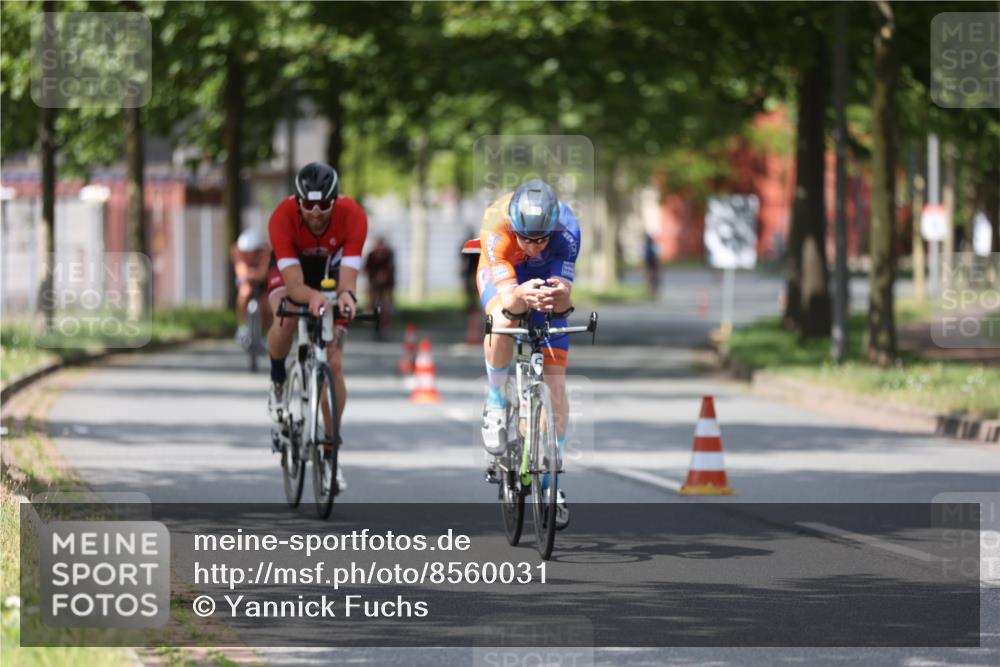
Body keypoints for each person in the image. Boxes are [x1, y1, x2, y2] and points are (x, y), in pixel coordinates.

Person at [476, 178, 579, 529]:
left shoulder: (567, 231)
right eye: (527, 239)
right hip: (505, 274)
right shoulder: (497, 226)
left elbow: (565, 299)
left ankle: (552, 482)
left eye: (541, 240)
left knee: (556, 385)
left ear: (552, 229)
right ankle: (496, 401)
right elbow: (508, 301)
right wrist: (520, 295)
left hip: (544, 282)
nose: (534, 248)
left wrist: (556, 298)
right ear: (515, 228)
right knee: (503, 319)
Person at [265, 161, 368, 494]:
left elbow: (348, 280)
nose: (315, 211)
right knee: (285, 316)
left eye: (323, 204)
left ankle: (329, 449)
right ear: (297, 201)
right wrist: (309, 298)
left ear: (335, 200)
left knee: (334, 362)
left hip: (330, 270)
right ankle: (279, 378)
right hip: (293, 271)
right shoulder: (282, 218)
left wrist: (347, 299)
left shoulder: (353, 216)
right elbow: (294, 285)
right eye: (307, 204)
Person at [230, 228, 271, 343]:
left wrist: (254, 274)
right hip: (247, 281)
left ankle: (266, 332)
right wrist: (250, 275)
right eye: (246, 253)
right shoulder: (236, 251)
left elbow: (263, 274)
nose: (249, 256)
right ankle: (242, 326)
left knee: (266, 305)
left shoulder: (265, 252)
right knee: (244, 293)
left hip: (263, 282)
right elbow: (241, 271)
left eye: (253, 252)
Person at [363, 236, 395, 338]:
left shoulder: (389, 255)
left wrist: (384, 277)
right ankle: (372, 318)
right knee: (372, 302)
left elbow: (391, 270)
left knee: (386, 306)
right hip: (374, 286)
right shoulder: (371, 256)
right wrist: (375, 278)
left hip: (386, 287)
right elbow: (366, 270)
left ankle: (385, 327)